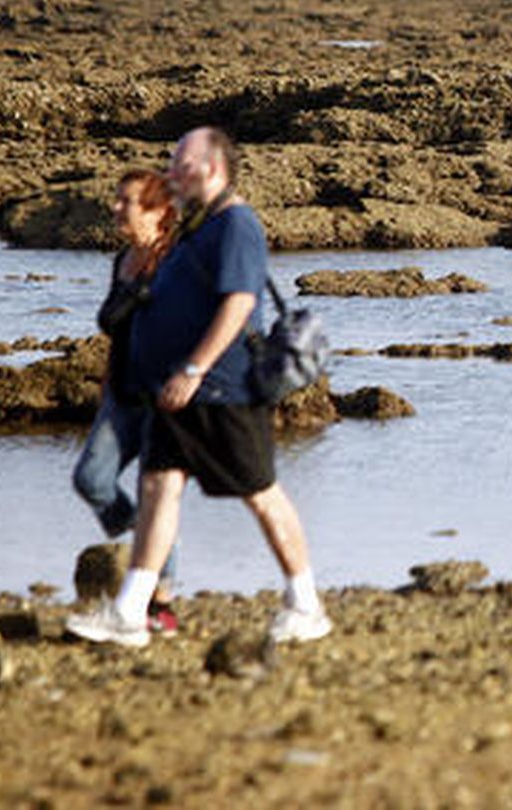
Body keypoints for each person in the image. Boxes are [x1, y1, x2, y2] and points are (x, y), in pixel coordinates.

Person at [68, 127, 332, 648]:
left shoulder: (237, 224)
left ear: (211, 168)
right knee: (157, 487)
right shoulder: (196, 226)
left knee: (260, 494)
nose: (170, 172)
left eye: (180, 164)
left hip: (222, 389)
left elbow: (239, 304)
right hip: (176, 391)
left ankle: (306, 603)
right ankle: (132, 610)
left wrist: (193, 370)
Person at [71, 170, 180, 634]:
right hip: (121, 394)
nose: (115, 208)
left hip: (163, 397)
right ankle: (149, 555)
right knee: (92, 478)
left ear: (156, 210)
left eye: (126, 202)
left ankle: (160, 595)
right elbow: (117, 333)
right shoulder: (122, 260)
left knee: (154, 494)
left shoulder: (176, 261)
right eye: (116, 200)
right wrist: (104, 391)